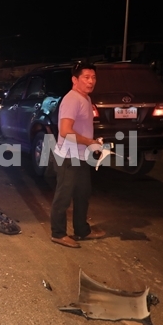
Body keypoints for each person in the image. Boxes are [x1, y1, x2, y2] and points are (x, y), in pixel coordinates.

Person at [50, 61, 106, 248]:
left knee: (83, 193)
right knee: (64, 196)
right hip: (68, 156)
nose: (91, 81)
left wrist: (93, 142)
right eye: (86, 77)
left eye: (94, 77)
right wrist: (90, 142)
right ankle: (58, 233)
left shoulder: (86, 98)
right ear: (75, 79)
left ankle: (82, 230)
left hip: (81, 155)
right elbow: (65, 130)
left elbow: (81, 128)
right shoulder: (72, 99)